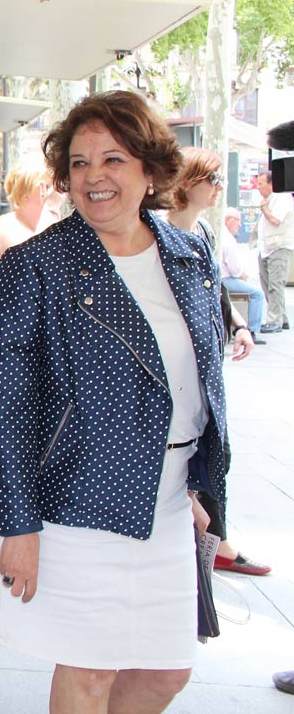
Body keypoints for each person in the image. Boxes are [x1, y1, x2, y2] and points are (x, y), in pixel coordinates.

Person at [0, 91, 227, 714]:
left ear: (149, 169)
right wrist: (17, 524)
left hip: (169, 501)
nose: (94, 177)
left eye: (112, 159)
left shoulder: (188, 256)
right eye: (80, 163)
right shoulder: (36, 265)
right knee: (89, 672)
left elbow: (201, 378)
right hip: (78, 503)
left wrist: (198, 485)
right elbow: (4, 406)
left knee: (166, 671)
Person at [166, 149, 266, 578]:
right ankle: (211, 542)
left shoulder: (203, 230)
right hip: (177, 370)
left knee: (215, 450)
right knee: (199, 452)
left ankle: (213, 541)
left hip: (207, 365)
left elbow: (215, 286)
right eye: (212, 178)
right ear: (188, 182)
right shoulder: (161, 233)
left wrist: (239, 324)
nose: (219, 186)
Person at [0, 158, 54, 289]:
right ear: (25, 193)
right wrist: (52, 208)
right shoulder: (4, 227)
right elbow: (42, 265)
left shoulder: (43, 224)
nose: (52, 192)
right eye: (46, 186)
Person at [255, 169, 294, 333]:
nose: (258, 187)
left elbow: (275, 220)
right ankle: (282, 317)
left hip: (279, 246)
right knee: (266, 284)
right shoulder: (267, 199)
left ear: (271, 184)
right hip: (265, 248)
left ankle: (274, 321)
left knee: (275, 285)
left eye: (261, 183)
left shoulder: (282, 198)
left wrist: (264, 209)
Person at [220, 206, 266, 337]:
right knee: (257, 293)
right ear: (228, 220)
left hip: (221, 278)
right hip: (226, 280)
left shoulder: (220, 234)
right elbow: (235, 270)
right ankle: (252, 330)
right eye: (238, 221)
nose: (240, 225)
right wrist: (243, 275)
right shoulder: (228, 239)